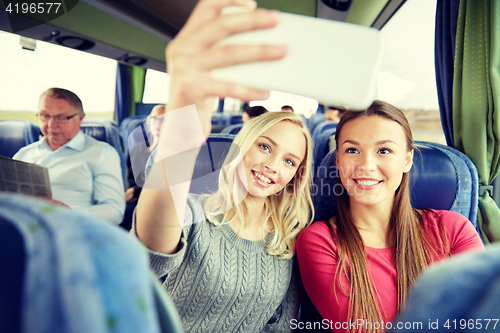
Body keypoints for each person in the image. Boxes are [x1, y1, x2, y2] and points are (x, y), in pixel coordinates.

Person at [132, 0, 314, 331]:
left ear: (295, 176)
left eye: (289, 161)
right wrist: (181, 134)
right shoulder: (195, 210)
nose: (273, 165)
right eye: (264, 146)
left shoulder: (289, 239)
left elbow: (280, 325)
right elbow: (148, 254)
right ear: (241, 148)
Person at [296, 100, 484, 333]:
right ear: (338, 161)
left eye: (384, 151)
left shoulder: (454, 229)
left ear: (407, 160)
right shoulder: (319, 241)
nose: (366, 165)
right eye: (352, 150)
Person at [13, 87, 125, 225]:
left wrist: (68, 212)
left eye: (61, 117)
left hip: (73, 231)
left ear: (80, 118)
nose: (51, 124)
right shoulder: (24, 154)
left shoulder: (102, 153)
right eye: (45, 115)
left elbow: (114, 212)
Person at [125, 104, 166, 204]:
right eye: (154, 118)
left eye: (163, 120)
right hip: (133, 200)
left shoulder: (174, 153)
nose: (157, 123)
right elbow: (128, 179)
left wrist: (134, 191)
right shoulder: (137, 149)